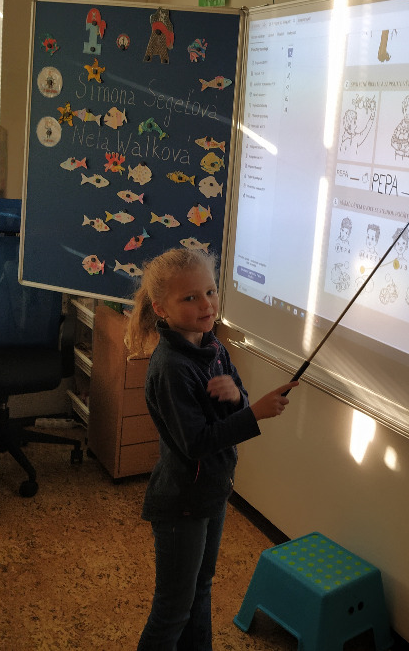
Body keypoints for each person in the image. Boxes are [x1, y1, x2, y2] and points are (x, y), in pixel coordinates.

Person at [125, 247, 298, 650]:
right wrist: (253, 414)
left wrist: (238, 398)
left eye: (210, 292)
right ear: (161, 309)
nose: (206, 304)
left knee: (201, 589)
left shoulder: (212, 346)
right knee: (173, 608)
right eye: (190, 298)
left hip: (212, 491)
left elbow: (234, 399)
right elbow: (196, 442)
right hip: (182, 502)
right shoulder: (171, 366)